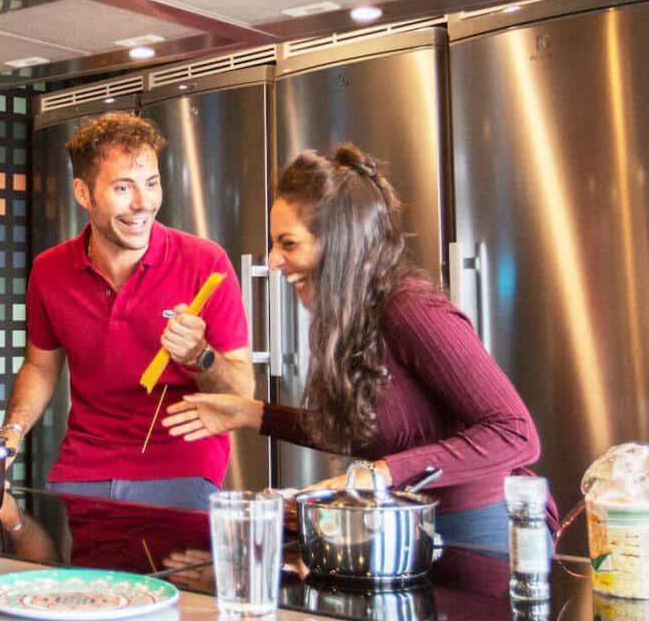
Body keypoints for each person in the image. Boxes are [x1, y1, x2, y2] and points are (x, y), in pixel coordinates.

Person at [163, 146, 544, 553]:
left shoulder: (412, 310)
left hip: (478, 532)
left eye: (288, 244)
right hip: (408, 524)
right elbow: (365, 429)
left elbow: (515, 432)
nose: (273, 261)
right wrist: (249, 413)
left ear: (340, 243)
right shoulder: (348, 318)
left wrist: (378, 475)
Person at [0, 112, 254, 510]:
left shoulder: (205, 262)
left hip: (181, 470)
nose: (143, 203)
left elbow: (242, 393)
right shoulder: (49, 270)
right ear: (83, 194)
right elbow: (41, 367)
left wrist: (201, 356)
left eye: (151, 184)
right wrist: (10, 435)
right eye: (122, 187)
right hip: (82, 470)